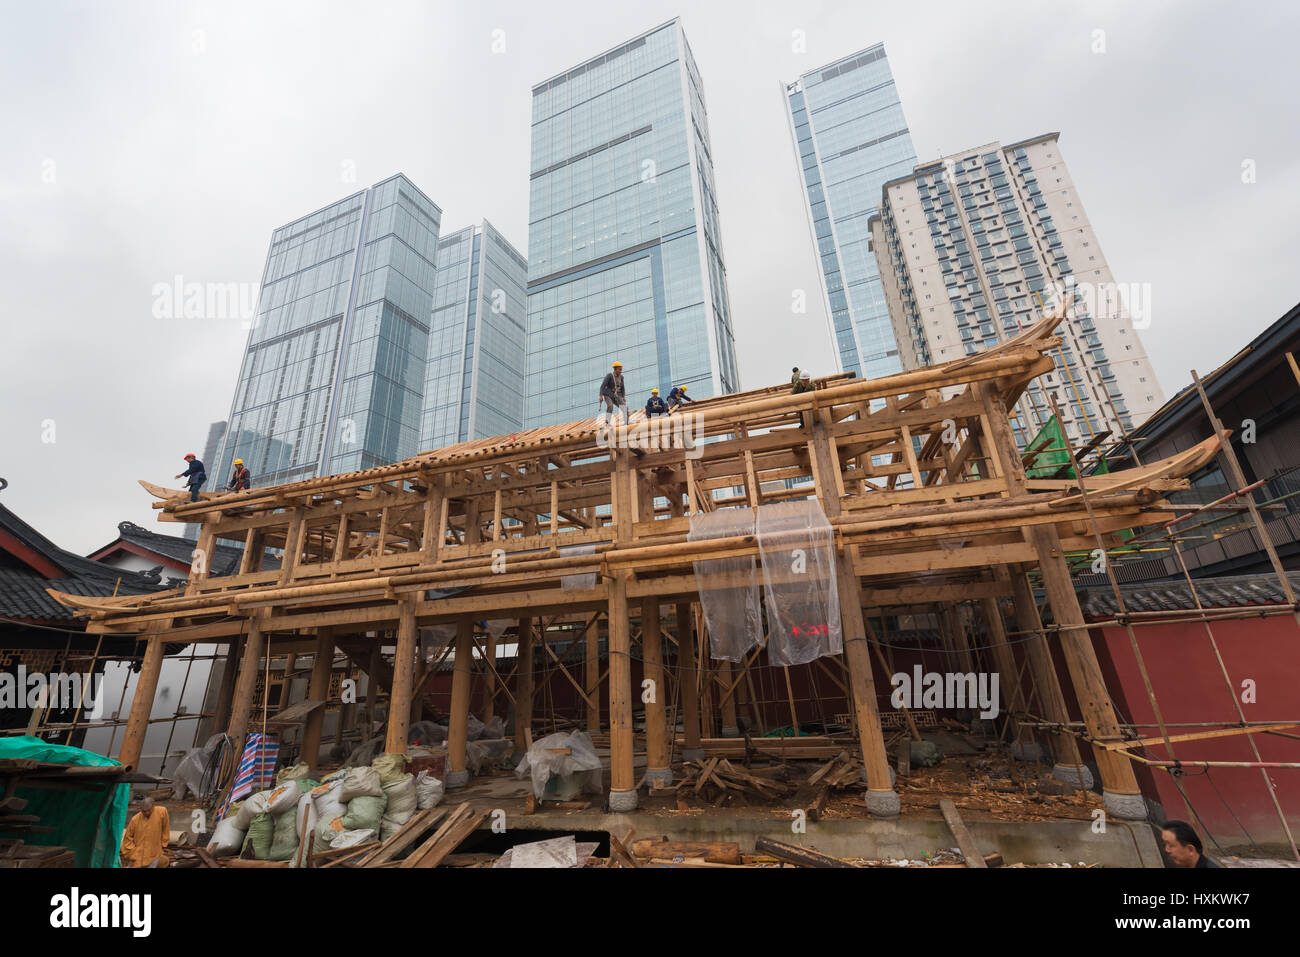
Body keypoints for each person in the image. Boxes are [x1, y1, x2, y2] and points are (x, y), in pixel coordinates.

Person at [120, 795, 170, 868]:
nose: (147, 813)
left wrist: (164, 843)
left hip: (154, 851)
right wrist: (132, 852)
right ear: (140, 809)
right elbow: (127, 838)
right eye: (144, 811)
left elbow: (166, 827)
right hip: (138, 854)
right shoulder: (135, 820)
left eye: (149, 810)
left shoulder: (162, 811)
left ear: (153, 806)